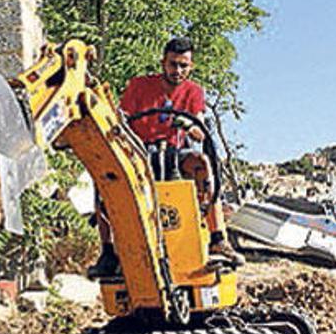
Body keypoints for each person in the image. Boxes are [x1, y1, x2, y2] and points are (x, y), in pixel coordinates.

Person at [87, 37, 244, 278]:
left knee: (202, 163)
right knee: (104, 180)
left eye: (183, 66)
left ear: (191, 67)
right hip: (140, 152)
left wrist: (188, 124)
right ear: (163, 62)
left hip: (175, 152)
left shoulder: (194, 92)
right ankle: (109, 251)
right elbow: (122, 120)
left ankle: (217, 237)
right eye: (173, 64)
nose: (178, 71)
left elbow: (200, 131)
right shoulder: (139, 86)